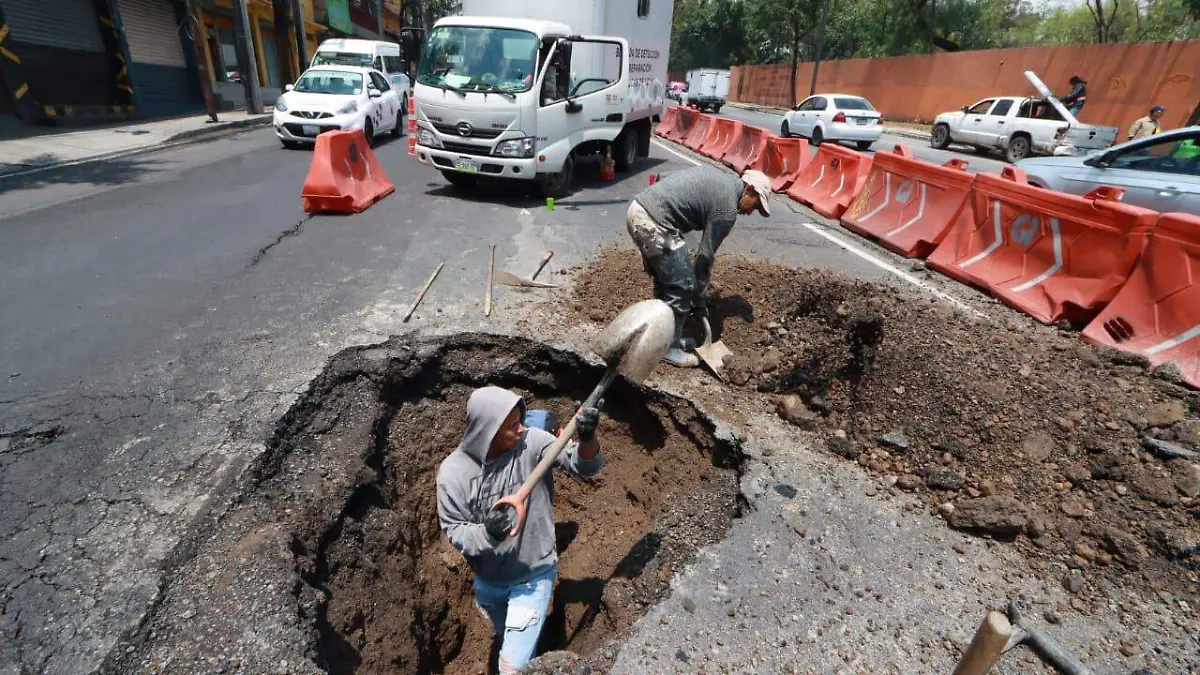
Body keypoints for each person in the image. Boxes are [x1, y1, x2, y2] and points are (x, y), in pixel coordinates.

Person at [436, 387, 602, 675]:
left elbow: (583, 465)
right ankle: (532, 654)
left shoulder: (533, 443)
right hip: (488, 579)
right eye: (512, 425)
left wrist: (588, 439)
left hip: (532, 576)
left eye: (521, 420)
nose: (522, 428)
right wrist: (487, 534)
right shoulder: (453, 474)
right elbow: (455, 529)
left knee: (511, 668)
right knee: (505, 634)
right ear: (488, 431)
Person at [625, 166, 772, 367]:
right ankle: (670, 347)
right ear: (749, 190)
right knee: (683, 286)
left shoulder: (721, 178)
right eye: (755, 205)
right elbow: (704, 258)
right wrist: (698, 295)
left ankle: (660, 337)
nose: (750, 211)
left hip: (639, 208)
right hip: (654, 223)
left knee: (668, 282)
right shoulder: (727, 209)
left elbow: (665, 176)